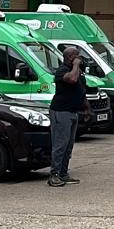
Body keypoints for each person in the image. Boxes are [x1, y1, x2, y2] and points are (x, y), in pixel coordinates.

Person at [46, 46, 85, 187]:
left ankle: (63, 173)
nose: (79, 58)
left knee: (68, 146)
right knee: (60, 145)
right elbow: (73, 80)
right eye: (76, 56)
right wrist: (75, 65)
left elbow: (81, 89)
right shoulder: (62, 71)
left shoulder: (78, 71)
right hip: (61, 112)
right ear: (69, 57)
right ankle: (54, 175)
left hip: (73, 112)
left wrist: (87, 109)